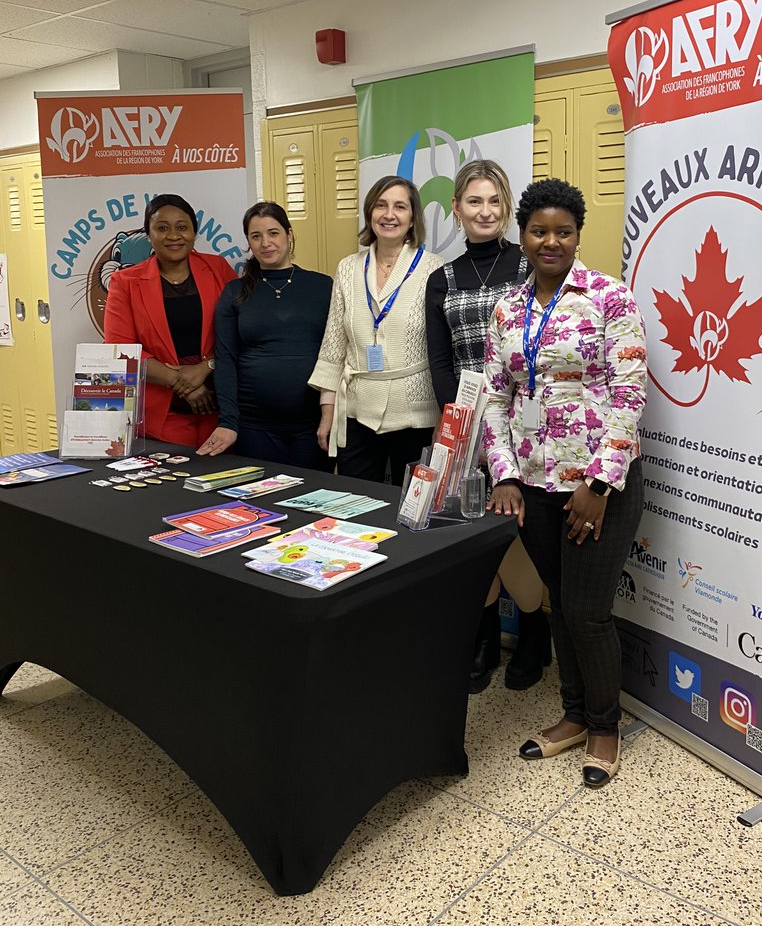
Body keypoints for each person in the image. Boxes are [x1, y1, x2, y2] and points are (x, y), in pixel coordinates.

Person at [483, 178, 646, 789]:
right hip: (537, 484)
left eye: (564, 231)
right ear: (522, 236)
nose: (551, 241)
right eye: (539, 231)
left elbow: (630, 395)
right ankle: (574, 715)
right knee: (559, 603)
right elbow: (496, 398)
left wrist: (599, 486)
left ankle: (606, 725)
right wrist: (505, 475)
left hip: (600, 487)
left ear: (578, 235)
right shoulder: (508, 309)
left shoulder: (610, 298)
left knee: (588, 611)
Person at [425, 159, 550, 693]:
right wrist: (466, 419)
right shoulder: (441, 279)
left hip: (527, 422)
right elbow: (439, 361)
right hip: (464, 426)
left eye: (494, 201)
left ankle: (533, 633)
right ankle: (480, 637)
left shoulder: (531, 266)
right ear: (457, 208)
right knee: (468, 532)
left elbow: (547, 346)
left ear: (507, 207)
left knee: (523, 530)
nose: (484, 211)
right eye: (474, 201)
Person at [309, 175, 443, 483]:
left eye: (399, 206)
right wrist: (327, 413)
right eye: (381, 205)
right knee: (357, 503)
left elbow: (442, 352)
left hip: (416, 415)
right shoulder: (348, 268)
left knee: (411, 510)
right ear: (370, 213)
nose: (389, 214)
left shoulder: (434, 269)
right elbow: (333, 347)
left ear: (412, 218)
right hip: (357, 412)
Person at [196, 202, 333, 469]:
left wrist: (331, 414)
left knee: (313, 504)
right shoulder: (234, 292)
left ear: (289, 234)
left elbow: (337, 354)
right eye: (255, 236)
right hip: (254, 427)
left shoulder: (323, 286)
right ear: (248, 241)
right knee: (261, 506)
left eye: (273, 233)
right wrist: (228, 422)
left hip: (314, 425)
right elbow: (225, 360)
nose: (265, 243)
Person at [103, 194, 237, 446]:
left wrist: (205, 368)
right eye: (162, 228)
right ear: (149, 233)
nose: (173, 236)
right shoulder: (125, 282)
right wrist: (182, 383)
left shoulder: (218, 268)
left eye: (182, 227)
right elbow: (119, 350)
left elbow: (242, 331)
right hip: (161, 416)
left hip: (221, 412)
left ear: (194, 233)